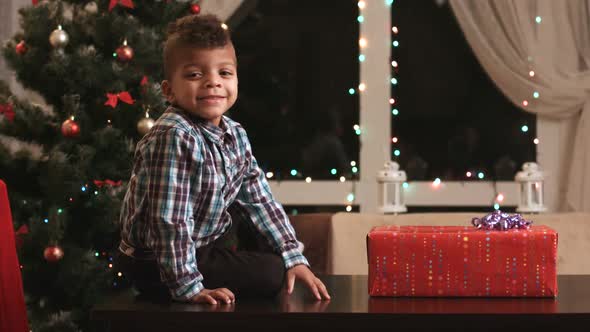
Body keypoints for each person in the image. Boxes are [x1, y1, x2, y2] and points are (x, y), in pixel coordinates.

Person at [117, 14, 330, 305]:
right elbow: (169, 221)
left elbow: (259, 200)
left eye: (224, 73)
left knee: (269, 244)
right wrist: (189, 288)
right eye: (194, 75)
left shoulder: (235, 134)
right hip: (154, 260)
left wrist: (294, 257)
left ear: (236, 80)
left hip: (201, 243)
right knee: (270, 273)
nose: (212, 83)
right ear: (168, 91)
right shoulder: (173, 136)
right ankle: (189, 279)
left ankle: (272, 262)